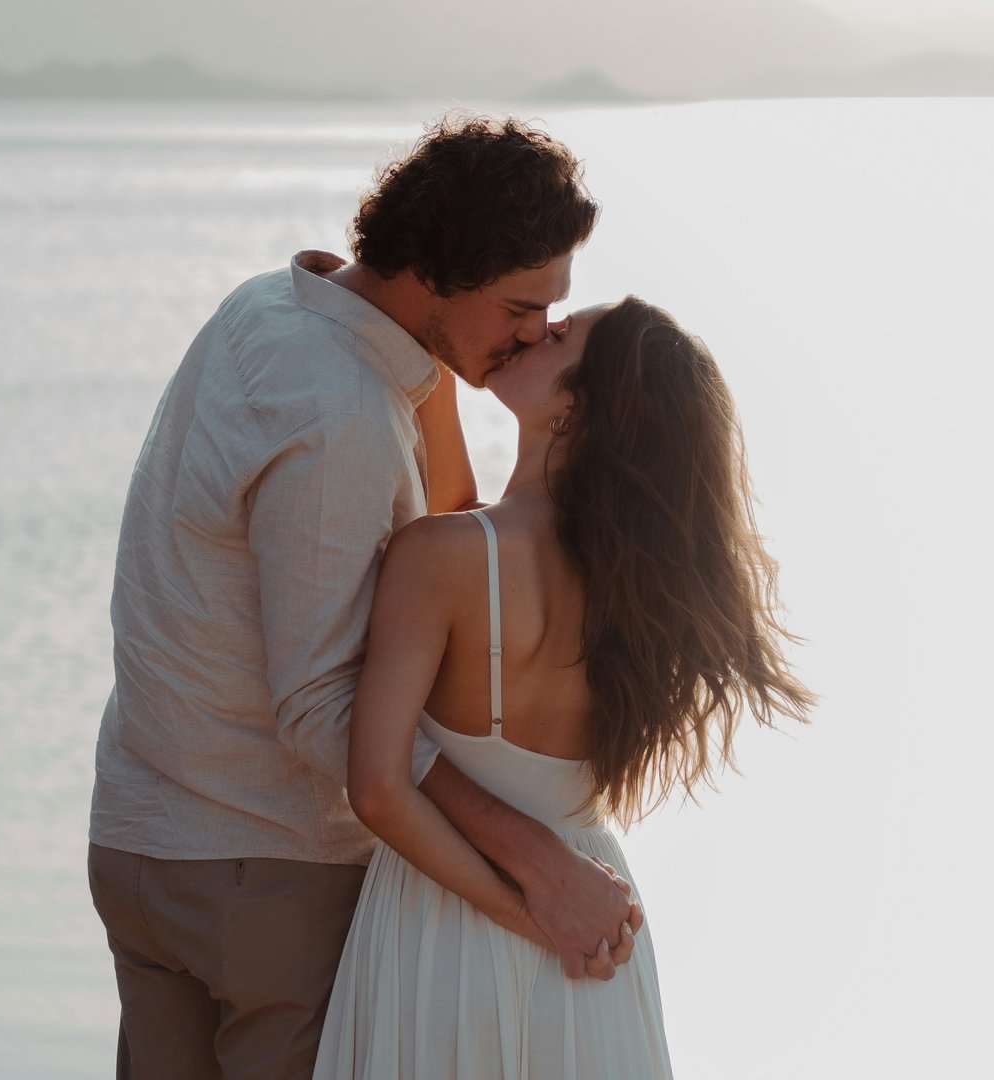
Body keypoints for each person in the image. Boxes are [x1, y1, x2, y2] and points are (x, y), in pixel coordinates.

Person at [87, 115, 644, 1080]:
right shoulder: (343, 417)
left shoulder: (271, 307)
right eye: (519, 305)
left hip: (147, 843)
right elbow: (324, 713)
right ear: (434, 273)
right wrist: (535, 880)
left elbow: (452, 526)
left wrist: (434, 363)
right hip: (266, 878)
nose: (535, 332)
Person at [313, 298, 816, 1078]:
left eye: (557, 336)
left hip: (449, 929)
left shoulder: (439, 560)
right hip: (595, 935)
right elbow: (467, 518)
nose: (529, 330)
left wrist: (528, 909)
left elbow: (378, 790)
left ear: (575, 409)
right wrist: (437, 366)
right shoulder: (642, 591)